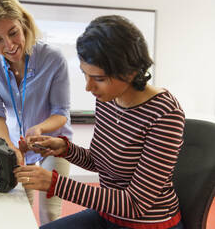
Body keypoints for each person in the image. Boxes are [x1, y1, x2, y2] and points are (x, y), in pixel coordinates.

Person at [14, 15, 185, 229]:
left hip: (147, 223)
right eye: (85, 75)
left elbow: (136, 204)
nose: (88, 87)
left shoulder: (165, 113)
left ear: (130, 72)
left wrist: (55, 184)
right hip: (108, 215)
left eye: (99, 79)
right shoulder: (108, 100)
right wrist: (64, 149)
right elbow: (101, 162)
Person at [0, 0, 72, 224]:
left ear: (23, 24)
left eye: (13, 33)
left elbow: (61, 113)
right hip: (17, 145)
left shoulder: (53, 58)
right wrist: (9, 147)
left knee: (50, 214)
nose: (9, 45)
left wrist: (39, 129)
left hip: (53, 143)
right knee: (17, 209)